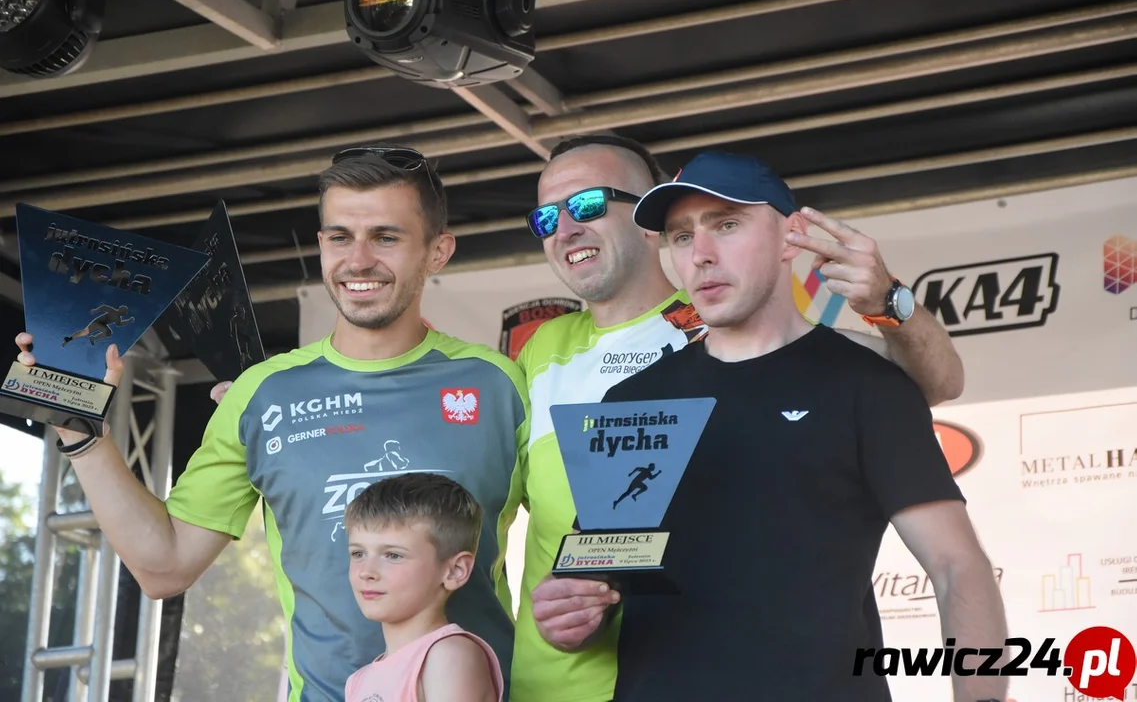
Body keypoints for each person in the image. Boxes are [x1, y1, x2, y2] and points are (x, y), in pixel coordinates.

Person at [15, 145, 530, 702]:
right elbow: (164, 567)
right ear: (321, 244)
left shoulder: (498, 383)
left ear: (437, 251)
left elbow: (566, 540)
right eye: (340, 237)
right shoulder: (262, 393)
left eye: (386, 237)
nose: (358, 260)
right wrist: (80, 429)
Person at [510, 135, 968, 702]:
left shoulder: (770, 333)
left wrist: (889, 302)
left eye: (586, 204)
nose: (565, 228)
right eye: (545, 217)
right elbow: (591, 559)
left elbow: (928, 384)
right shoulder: (560, 360)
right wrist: (569, 609)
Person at [343, 472, 503, 702]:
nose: (366, 572)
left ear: (455, 570)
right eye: (358, 553)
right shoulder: (357, 681)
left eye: (393, 555)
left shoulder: (448, 656)